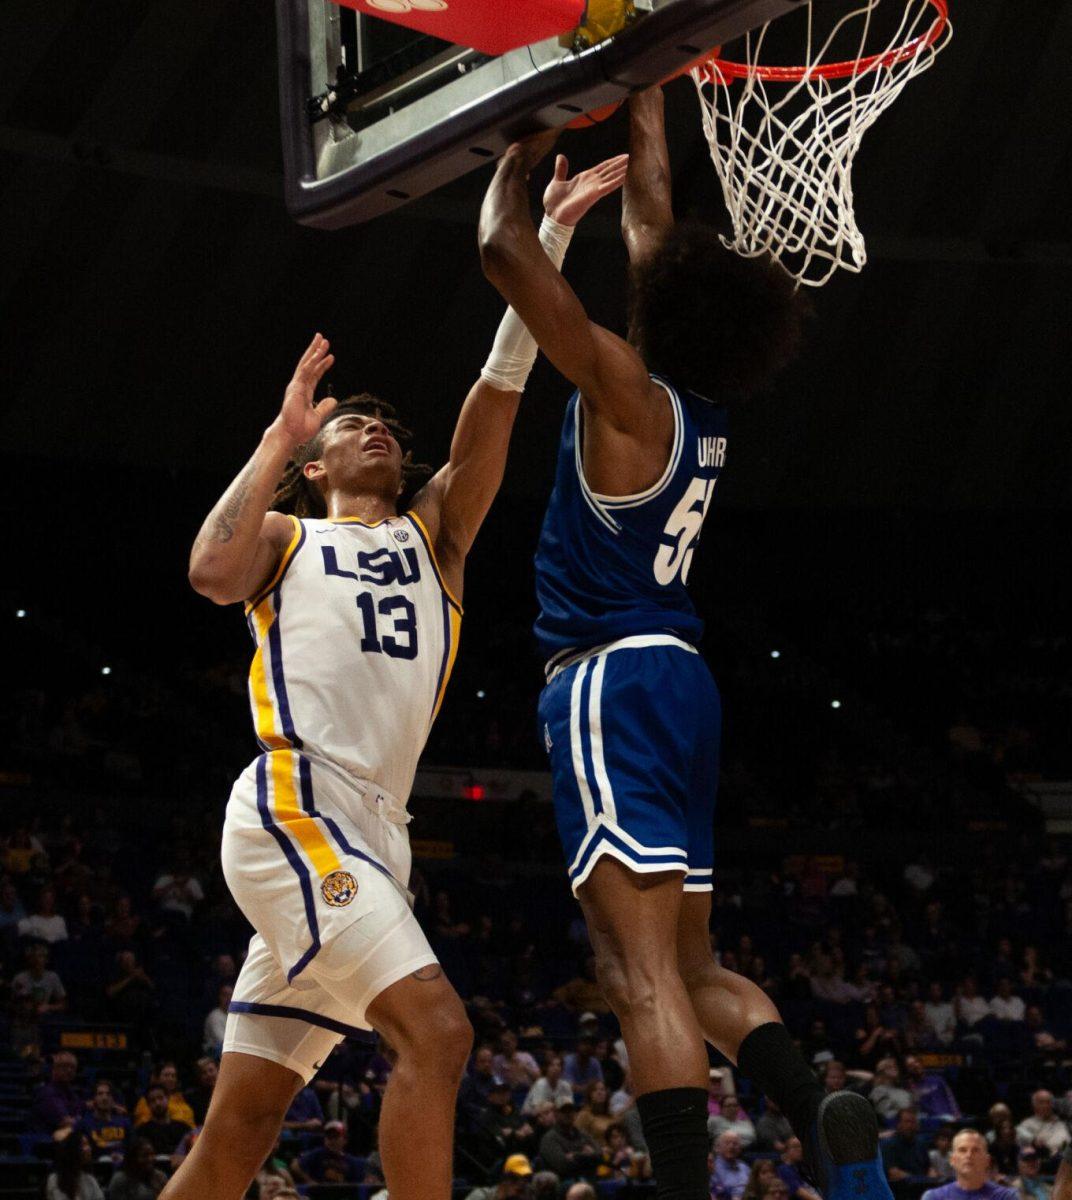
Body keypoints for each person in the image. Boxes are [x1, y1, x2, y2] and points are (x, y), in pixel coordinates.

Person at [167, 154, 626, 1200]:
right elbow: (207, 572)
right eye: (348, 428)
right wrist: (278, 440)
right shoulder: (284, 534)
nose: (375, 430)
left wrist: (545, 237)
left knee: (240, 1131)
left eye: (383, 427)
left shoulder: (439, 536)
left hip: (376, 832)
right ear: (318, 468)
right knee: (440, 1031)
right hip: (296, 806)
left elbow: (499, 391)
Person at [479, 87, 884, 1200]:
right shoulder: (696, 403)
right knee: (693, 965)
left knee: (634, 972)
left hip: (607, 682)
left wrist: (528, 135)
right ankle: (815, 1111)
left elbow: (505, 254)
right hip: (682, 684)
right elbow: (653, 223)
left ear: (658, 311)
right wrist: (647, 88)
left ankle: (678, 1189)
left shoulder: (624, 389)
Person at [920, 1129, 1018, 1200]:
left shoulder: (1007, 1197)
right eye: (962, 1150)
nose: (969, 1155)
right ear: (952, 1160)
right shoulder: (933, 1197)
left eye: (975, 1150)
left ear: (987, 1161)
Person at [538, 1097, 601, 1182]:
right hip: (564, 1183)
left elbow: (600, 1155)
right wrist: (588, 1155)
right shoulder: (549, 1138)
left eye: (571, 1111)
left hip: (588, 1178)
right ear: (556, 1113)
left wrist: (575, 1156)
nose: (568, 1114)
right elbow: (563, 1166)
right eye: (564, 1111)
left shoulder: (582, 1134)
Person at [290, 1121, 364, 1184]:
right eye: (329, 1137)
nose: (332, 1140)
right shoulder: (318, 1154)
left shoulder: (352, 1162)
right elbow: (295, 1165)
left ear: (345, 1140)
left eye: (335, 1137)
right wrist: (310, 1181)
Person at [32, 1051, 84, 1134]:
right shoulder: (46, 1093)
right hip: (47, 1142)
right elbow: (65, 1122)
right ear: (54, 1069)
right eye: (64, 1066)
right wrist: (88, 1124)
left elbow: (79, 1116)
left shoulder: (73, 1094)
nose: (69, 1070)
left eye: (72, 1067)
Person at [79, 1080, 131, 1161]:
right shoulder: (85, 1123)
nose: (104, 1098)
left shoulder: (125, 1122)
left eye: (108, 1094)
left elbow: (133, 1147)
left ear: (113, 1100)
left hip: (122, 1166)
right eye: (100, 1094)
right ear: (94, 1099)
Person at [46, 1132, 105, 1200]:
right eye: (84, 1144)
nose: (89, 1148)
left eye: (88, 1144)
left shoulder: (90, 1179)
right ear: (73, 1149)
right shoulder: (55, 1180)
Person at [137, 1085, 192, 1157]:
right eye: (152, 1100)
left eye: (160, 1098)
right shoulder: (142, 1131)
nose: (157, 1103)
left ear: (168, 1098)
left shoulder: (183, 1128)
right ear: (148, 1105)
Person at [134, 1064, 194, 1129]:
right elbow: (143, 1125)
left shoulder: (182, 1098)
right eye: (166, 1075)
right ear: (157, 1078)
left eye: (173, 1076)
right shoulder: (147, 1100)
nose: (171, 1079)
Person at [880, 1108, 930, 1183]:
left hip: (921, 1185)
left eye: (913, 1122)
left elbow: (928, 1168)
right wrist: (919, 1180)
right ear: (898, 1124)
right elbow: (893, 1173)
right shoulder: (887, 1145)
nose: (910, 1126)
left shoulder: (921, 1144)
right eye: (907, 1122)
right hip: (900, 1189)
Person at [1017, 1091, 1071, 1160]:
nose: (1046, 1105)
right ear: (1034, 1105)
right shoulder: (1026, 1125)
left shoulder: (1062, 1122)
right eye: (1041, 1102)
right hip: (1042, 1163)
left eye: (1048, 1102)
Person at [463, 1155, 534, 1200]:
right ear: (503, 1180)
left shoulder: (525, 1196)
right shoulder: (481, 1196)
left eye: (526, 1179)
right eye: (514, 1179)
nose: (521, 1183)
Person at [711, 1131, 751, 1200]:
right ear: (718, 1147)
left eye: (735, 1144)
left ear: (740, 1149)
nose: (731, 1146)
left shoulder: (745, 1167)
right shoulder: (712, 1168)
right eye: (727, 1143)